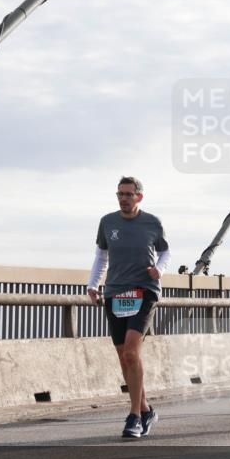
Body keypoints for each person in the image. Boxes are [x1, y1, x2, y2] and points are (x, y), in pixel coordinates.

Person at [88, 176, 170, 438]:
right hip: (115, 292)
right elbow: (101, 255)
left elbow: (165, 252)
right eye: (120, 194)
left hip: (144, 291)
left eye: (128, 194)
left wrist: (159, 269)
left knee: (132, 352)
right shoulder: (107, 222)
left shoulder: (152, 223)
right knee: (125, 357)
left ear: (139, 197)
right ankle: (146, 409)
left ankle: (135, 416)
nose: (123, 199)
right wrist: (93, 284)